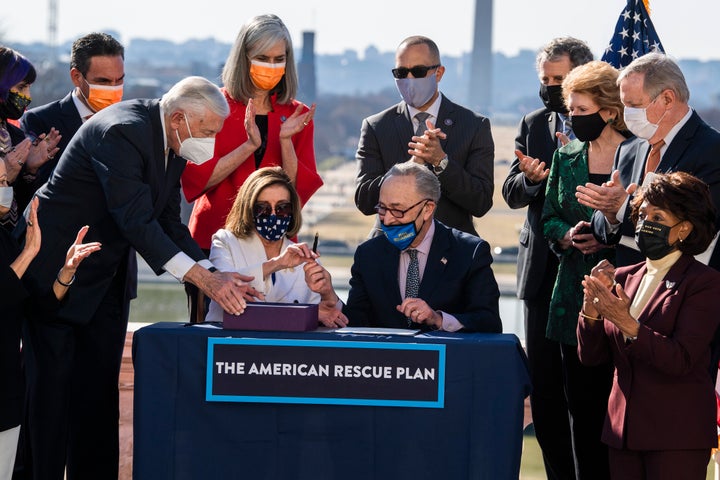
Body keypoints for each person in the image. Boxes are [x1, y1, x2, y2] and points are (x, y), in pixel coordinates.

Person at [18, 76, 260, 480]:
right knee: (50, 404)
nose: (211, 143)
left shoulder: (174, 137)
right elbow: (137, 221)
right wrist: (203, 279)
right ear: (181, 117)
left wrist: (213, 270)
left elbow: (168, 220)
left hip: (103, 283)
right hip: (55, 276)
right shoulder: (124, 131)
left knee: (97, 404)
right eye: (208, 132)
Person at [578, 171, 720, 480]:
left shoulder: (704, 283)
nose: (644, 223)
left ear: (684, 228)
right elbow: (592, 358)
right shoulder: (623, 277)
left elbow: (681, 359)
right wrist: (590, 311)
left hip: (676, 436)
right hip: (622, 432)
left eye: (657, 215)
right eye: (642, 214)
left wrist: (627, 323)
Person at [501, 36, 593, 480]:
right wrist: (533, 181)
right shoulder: (535, 122)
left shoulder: (605, 127)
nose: (552, 87)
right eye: (546, 80)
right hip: (540, 275)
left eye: (560, 79)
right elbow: (511, 191)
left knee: (585, 393)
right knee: (546, 396)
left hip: (589, 274)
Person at [541, 60, 630, 480]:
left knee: (623, 415)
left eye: (580, 110)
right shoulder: (566, 155)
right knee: (580, 411)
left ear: (609, 111)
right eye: (570, 110)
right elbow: (549, 217)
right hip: (572, 301)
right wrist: (567, 234)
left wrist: (607, 234)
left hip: (626, 298)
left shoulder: (639, 153)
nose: (572, 119)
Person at [182, 14, 322, 253]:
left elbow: (295, 195)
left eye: (279, 59)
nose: (271, 66)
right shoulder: (211, 106)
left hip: (275, 244)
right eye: (262, 58)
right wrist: (247, 146)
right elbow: (196, 181)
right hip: (215, 239)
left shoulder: (299, 115)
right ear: (243, 58)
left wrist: (285, 141)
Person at [578, 53, 720, 269]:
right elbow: (603, 228)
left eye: (635, 104)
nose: (628, 114)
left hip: (684, 289)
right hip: (630, 287)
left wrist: (623, 207)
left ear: (668, 99)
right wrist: (610, 215)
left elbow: (700, 226)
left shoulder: (712, 149)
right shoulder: (627, 150)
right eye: (625, 105)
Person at [0, 175, 100, 480]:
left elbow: (38, 307)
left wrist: (65, 272)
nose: (6, 188)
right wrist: (29, 253)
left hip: (6, 394)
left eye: (6, 179)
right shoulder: (19, 247)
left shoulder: (5, 240)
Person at [355, 35, 494, 237]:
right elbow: (364, 200)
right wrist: (409, 167)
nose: (409, 80)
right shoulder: (376, 126)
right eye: (401, 72)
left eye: (418, 72)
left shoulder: (474, 125)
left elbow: (480, 202)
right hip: (389, 249)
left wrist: (441, 162)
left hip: (451, 251)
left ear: (439, 73)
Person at [344, 161, 501, 332]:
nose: (387, 220)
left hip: (446, 357)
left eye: (398, 210)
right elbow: (357, 323)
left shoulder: (469, 252)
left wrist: (438, 319)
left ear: (428, 209)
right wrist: (331, 300)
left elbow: (489, 322)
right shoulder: (368, 254)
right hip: (385, 358)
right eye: (382, 209)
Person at [206, 166, 347, 327]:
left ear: (292, 211)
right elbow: (226, 291)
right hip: (229, 344)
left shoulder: (305, 258)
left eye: (282, 208)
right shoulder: (225, 241)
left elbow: (332, 317)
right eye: (263, 208)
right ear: (248, 208)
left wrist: (328, 293)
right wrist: (277, 263)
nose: (273, 215)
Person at [21, 32, 125, 201]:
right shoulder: (41, 120)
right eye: (103, 82)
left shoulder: (129, 123)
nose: (113, 89)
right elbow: (30, 194)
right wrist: (30, 170)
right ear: (76, 77)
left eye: (119, 80)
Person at [0, 46, 60, 230]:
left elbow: (22, 207)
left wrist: (29, 171)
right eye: (21, 87)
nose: (28, 97)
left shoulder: (16, 136)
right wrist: (5, 179)